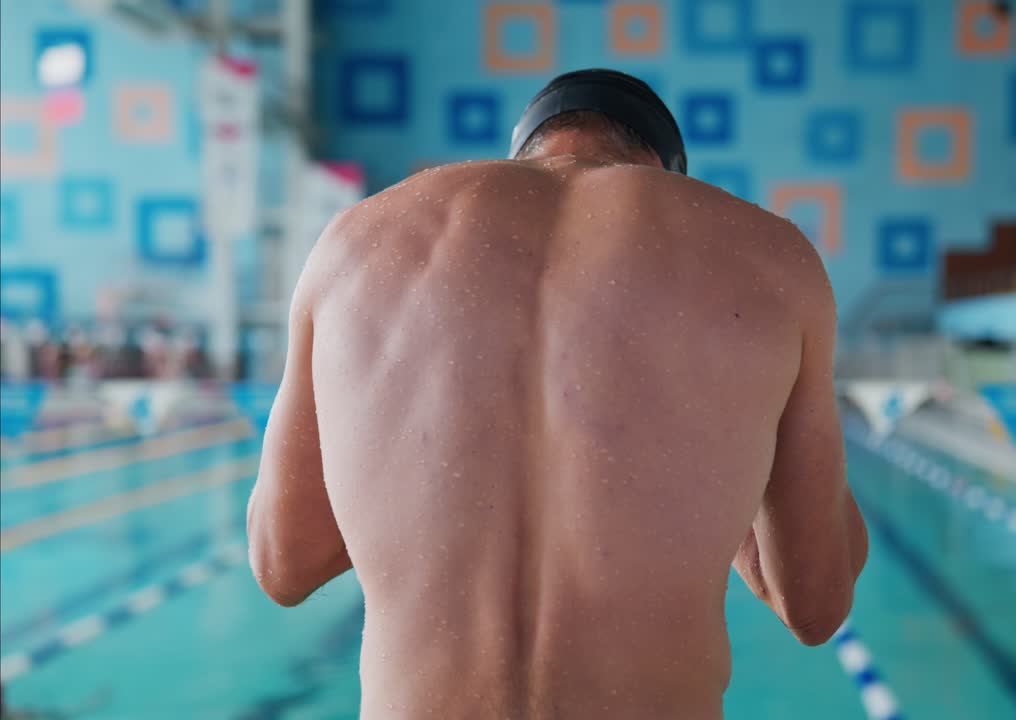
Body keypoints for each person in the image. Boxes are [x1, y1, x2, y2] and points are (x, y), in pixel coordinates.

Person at [247, 68, 868, 719]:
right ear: (668, 172)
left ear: (527, 148)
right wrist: (730, 466)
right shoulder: (768, 256)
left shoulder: (355, 243)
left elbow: (283, 560)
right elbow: (815, 602)